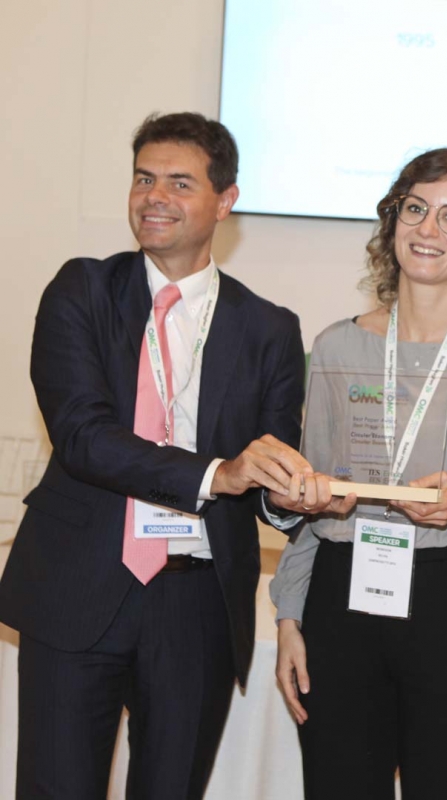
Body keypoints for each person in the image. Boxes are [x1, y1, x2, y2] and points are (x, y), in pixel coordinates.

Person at [0, 112, 347, 800]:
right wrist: (218, 473)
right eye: (143, 179)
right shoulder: (82, 290)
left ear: (225, 200)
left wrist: (290, 497)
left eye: (180, 183)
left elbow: (266, 469)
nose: (154, 196)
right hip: (79, 586)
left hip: (197, 604)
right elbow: (82, 435)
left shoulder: (268, 328)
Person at [272, 147, 447, 800]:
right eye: (414, 208)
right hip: (341, 601)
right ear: (392, 221)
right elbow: (309, 506)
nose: (428, 228)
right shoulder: (335, 346)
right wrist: (288, 617)